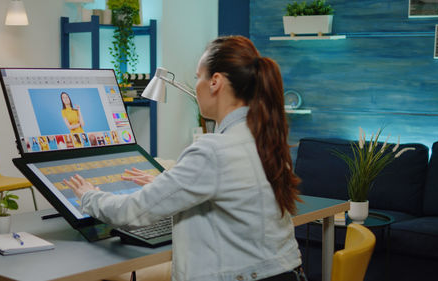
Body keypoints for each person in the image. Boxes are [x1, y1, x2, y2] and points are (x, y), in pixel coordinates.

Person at [64, 36, 305, 281]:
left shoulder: (212, 150)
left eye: (197, 77)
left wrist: (88, 195)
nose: (195, 85)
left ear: (215, 82)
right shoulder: (263, 139)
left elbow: (131, 211)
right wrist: (167, 185)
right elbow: (227, 189)